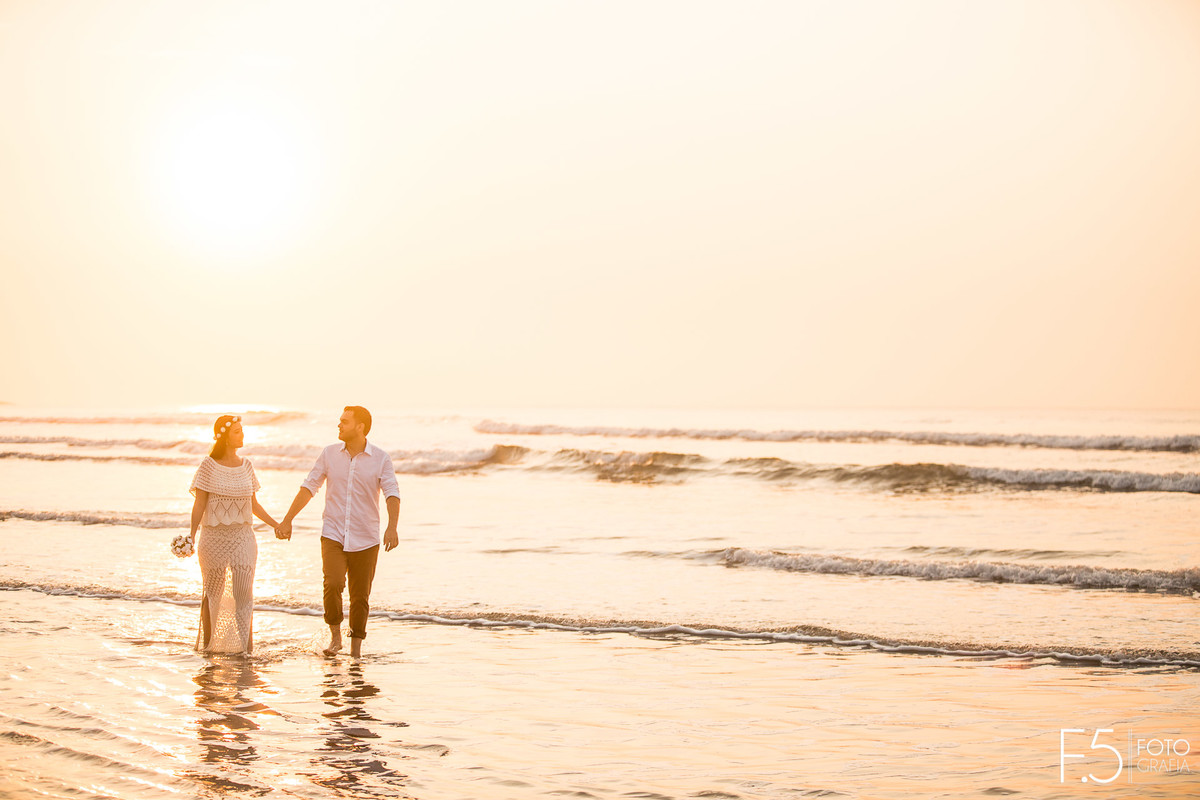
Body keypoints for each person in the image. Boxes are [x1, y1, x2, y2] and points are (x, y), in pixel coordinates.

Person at [276, 406, 400, 657]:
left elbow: (392, 493)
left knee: (360, 596)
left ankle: (356, 651)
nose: (339, 425)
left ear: (360, 427)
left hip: (366, 537)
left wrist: (392, 527)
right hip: (332, 532)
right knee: (332, 583)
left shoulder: (381, 458)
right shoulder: (329, 454)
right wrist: (288, 519)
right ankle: (335, 637)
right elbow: (309, 486)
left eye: (344, 421)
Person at [188, 415, 279, 654]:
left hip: (243, 536)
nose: (242, 435)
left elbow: (254, 505)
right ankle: (209, 646)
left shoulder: (246, 465)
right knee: (213, 594)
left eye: (242, 430)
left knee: (244, 593)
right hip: (213, 537)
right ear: (225, 437)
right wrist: (191, 535)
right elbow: (199, 504)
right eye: (237, 431)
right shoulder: (208, 465)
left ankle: (246, 649)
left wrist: (276, 524)